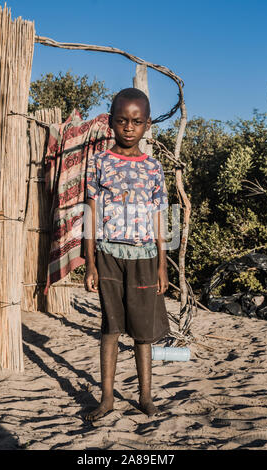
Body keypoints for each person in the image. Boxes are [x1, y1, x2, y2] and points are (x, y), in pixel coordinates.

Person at [84, 88, 170, 421]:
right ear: (111, 122)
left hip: (145, 257)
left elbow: (160, 216)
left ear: (147, 125)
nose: (129, 128)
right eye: (122, 121)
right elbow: (90, 213)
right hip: (107, 255)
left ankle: (145, 397)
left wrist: (163, 265)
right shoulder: (100, 162)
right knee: (110, 327)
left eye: (136, 122)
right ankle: (107, 398)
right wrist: (90, 262)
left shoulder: (153, 168)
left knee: (142, 332)